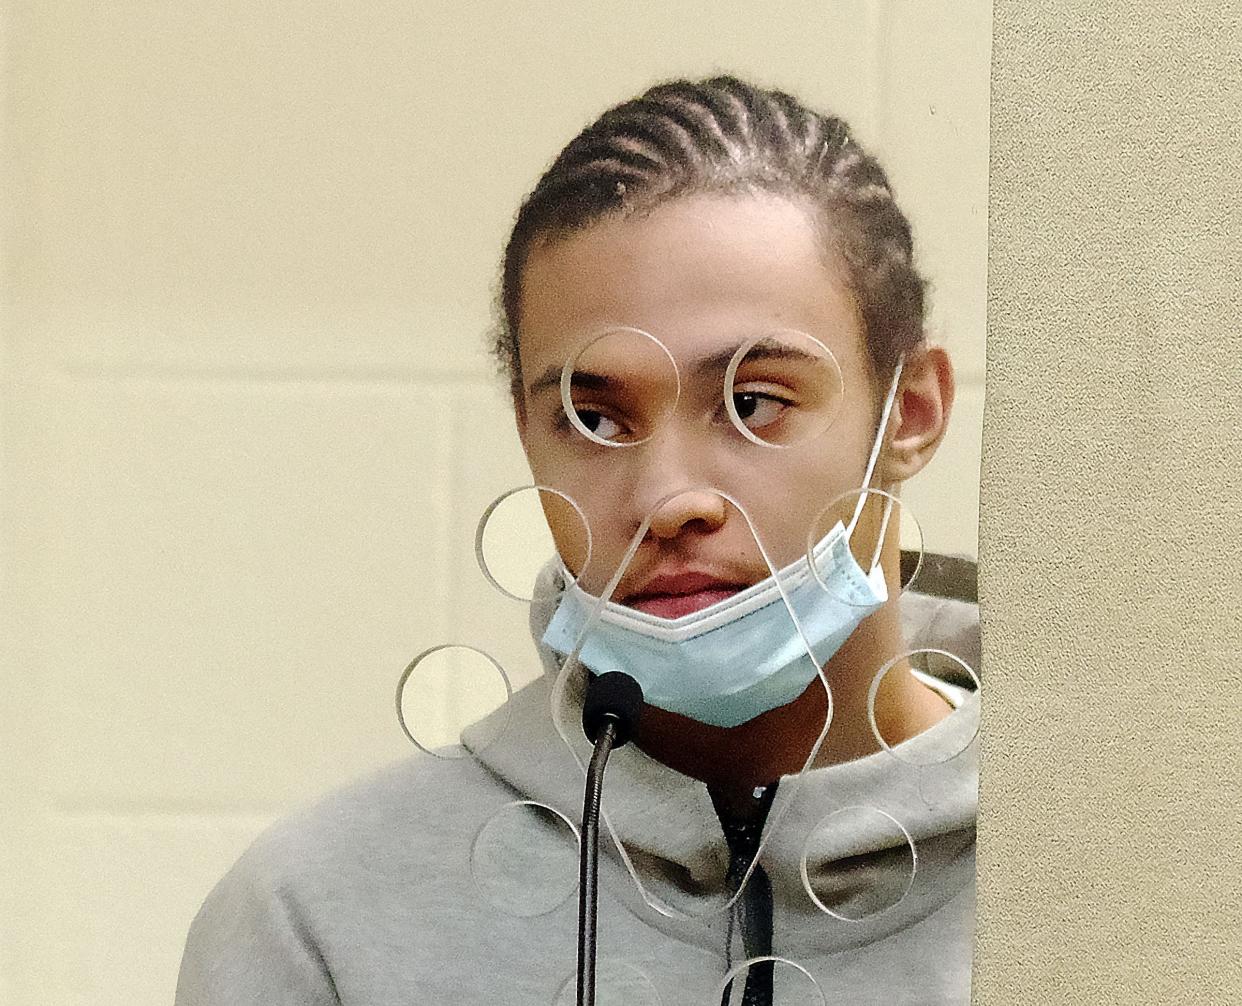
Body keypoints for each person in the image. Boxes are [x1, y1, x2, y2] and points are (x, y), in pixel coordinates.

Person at [176, 75, 981, 1006]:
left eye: (754, 403)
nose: (667, 498)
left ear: (912, 411)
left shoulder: (1113, 869)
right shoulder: (316, 917)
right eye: (593, 418)